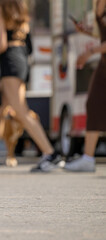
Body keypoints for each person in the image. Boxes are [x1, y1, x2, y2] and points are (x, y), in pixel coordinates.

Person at [0, 0, 61, 172]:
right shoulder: (21, 8)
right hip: (21, 59)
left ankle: (50, 154)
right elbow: (21, 39)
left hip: (10, 61)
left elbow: (1, 45)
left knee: (21, 111)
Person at [65, 0, 106, 172]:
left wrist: (89, 53)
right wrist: (86, 32)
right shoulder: (98, 5)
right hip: (104, 64)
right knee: (94, 104)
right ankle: (88, 158)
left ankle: (88, 158)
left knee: (94, 104)